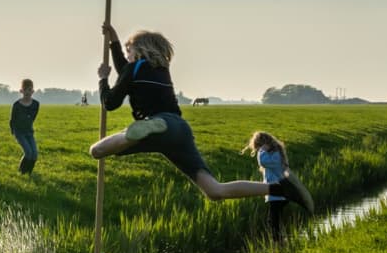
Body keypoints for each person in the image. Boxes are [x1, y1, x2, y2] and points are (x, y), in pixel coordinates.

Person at [89, 21, 314, 212]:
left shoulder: (133, 70)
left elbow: (110, 102)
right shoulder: (160, 69)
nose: (127, 57)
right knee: (215, 191)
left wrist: (102, 79)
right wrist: (114, 42)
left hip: (157, 126)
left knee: (97, 150)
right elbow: (125, 70)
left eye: (129, 52)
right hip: (178, 129)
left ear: (138, 51)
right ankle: (279, 188)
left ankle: (137, 132)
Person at [244, 131, 291, 241]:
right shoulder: (275, 153)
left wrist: (262, 150)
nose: (258, 150)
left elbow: (263, 162)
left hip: (278, 193)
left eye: (258, 147)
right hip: (279, 193)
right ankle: (280, 243)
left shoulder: (275, 154)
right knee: (274, 221)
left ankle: (278, 244)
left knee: (273, 221)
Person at [10, 78, 39, 174]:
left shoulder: (36, 104)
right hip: (19, 132)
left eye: (30, 90)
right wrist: (14, 132)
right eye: (25, 89)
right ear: (21, 91)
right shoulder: (16, 105)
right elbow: (12, 120)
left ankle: (29, 172)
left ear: (33, 91)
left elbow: (32, 118)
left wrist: (28, 126)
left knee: (34, 153)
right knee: (28, 152)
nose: (28, 92)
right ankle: (22, 171)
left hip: (29, 132)